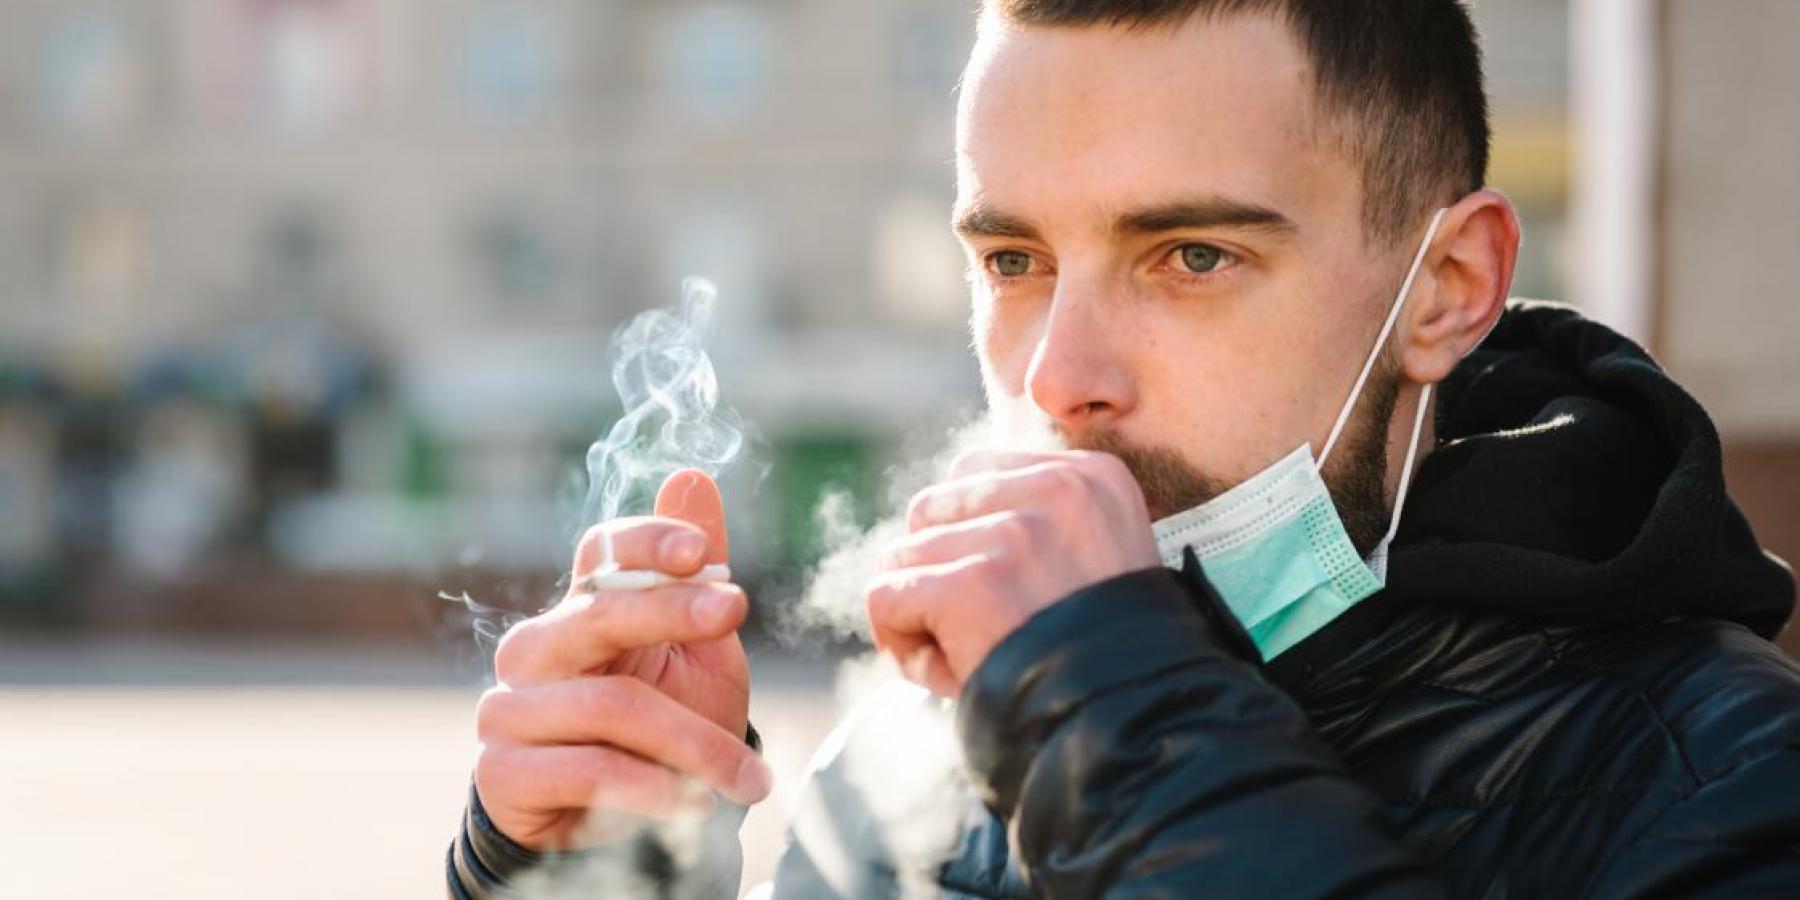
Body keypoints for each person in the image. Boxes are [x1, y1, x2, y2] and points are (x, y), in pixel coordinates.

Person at [448, 2, 1800, 897]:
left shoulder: (1734, 779)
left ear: (1448, 286)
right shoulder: (916, 744)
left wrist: (1119, 720)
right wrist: (598, 871)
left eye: (1192, 254)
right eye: (1015, 258)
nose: (1058, 378)